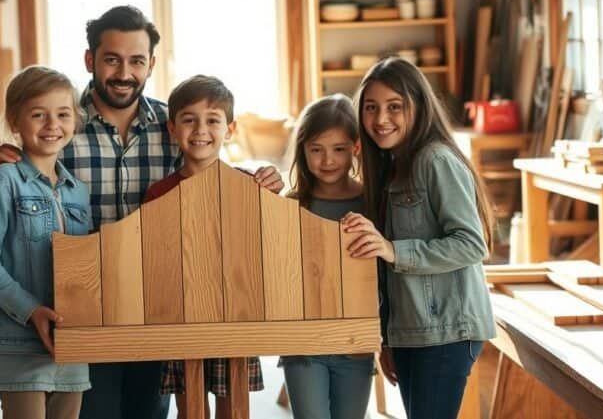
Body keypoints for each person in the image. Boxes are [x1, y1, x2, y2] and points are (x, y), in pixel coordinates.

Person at [0, 6, 283, 419]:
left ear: (151, 64)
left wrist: (258, 180)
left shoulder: (172, 125)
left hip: (152, 304)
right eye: (112, 59)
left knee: (148, 411)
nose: (124, 72)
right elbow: (14, 189)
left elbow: (207, 172)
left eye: (136, 61)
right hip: (82, 306)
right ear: (91, 60)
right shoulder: (63, 120)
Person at [340, 57, 495, 419]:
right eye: (371, 108)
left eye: (395, 107)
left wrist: (394, 250)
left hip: (447, 332)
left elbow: (472, 244)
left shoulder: (434, 160)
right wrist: (389, 338)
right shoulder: (390, 168)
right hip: (412, 331)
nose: (381, 120)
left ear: (419, 107)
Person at [0, 66, 93, 419]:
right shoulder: (2, 180)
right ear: (15, 121)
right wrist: (31, 310)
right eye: (38, 114)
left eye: (63, 114)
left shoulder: (78, 192)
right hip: (18, 341)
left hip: (71, 342)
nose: (52, 124)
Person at [141, 75, 268, 414]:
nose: (200, 130)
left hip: (236, 315)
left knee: (234, 408)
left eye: (212, 120)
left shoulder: (247, 186)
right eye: (189, 120)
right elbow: (152, 259)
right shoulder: (158, 193)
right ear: (172, 128)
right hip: (179, 317)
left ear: (230, 129)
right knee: (190, 410)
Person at [279, 94, 374, 419]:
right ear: (303, 150)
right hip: (303, 344)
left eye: (339, 149)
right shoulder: (291, 204)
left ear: (356, 148)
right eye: (316, 150)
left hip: (356, 344)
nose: (327, 160)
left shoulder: (372, 202)